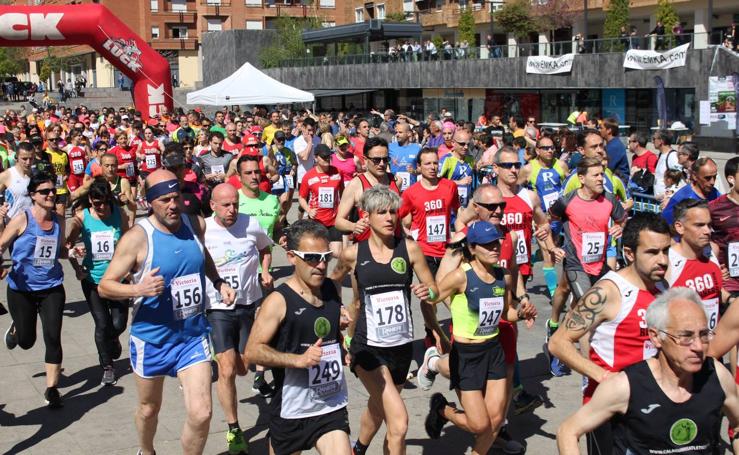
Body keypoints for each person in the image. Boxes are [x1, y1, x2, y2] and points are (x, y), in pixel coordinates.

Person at [98, 169, 236, 455]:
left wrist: (218, 281)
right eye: (164, 200)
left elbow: (201, 254)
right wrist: (139, 290)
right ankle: (146, 451)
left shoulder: (194, 224)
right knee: (149, 409)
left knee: (202, 413)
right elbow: (105, 286)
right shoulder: (137, 238)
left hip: (193, 337)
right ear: (150, 202)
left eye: (176, 198)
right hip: (152, 339)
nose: (173, 205)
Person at [558, 287, 739, 454]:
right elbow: (568, 431)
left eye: (704, 334)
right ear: (656, 337)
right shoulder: (626, 386)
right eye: (686, 336)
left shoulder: (716, 376)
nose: (699, 346)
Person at [549, 212, 671, 455]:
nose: (663, 260)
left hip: (652, 404)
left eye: (666, 251)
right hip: (610, 409)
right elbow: (558, 343)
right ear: (628, 253)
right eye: (652, 252)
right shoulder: (608, 291)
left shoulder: (663, 287)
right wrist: (605, 378)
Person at [330, 185, 437, 455]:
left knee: (379, 407)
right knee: (399, 423)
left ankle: (359, 448)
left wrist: (428, 292)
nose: (390, 218)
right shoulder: (353, 253)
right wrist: (336, 313)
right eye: (382, 212)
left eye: (393, 212)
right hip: (368, 347)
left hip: (401, 347)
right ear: (367, 216)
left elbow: (434, 290)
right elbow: (331, 283)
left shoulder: (410, 249)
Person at [422, 221, 536, 454]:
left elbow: (506, 313)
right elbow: (433, 298)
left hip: (493, 351)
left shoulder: (502, 276)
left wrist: (522, 314)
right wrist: (427, 294)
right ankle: (443, 409)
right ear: (472, 248)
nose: (494, 248)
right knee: (479, 424)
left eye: (496, 243)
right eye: (487, 245)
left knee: (494, 422)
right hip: (466, 356)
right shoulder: (460, 276)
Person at [245, 220, 352, 455]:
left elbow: (326, 337)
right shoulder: (278, 301)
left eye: (325, 257)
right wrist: (298, 360)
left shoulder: (332, 290)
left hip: (330, 404)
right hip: (292, 410)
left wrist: (342, 347)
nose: (321, 265)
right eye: (312, 257)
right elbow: (252, 351)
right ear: (292, 257)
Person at [204, 183, 273, 455]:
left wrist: (265, 271)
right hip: (217, 307)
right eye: (225, 205)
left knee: (246, 365)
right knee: (228, 368)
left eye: (235, 204)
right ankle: (234, 429)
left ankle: (231, 357)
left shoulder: (250, 224)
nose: (232, 210)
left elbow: (266, 249)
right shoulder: (205, 230)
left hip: (247, 304)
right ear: (213, 206)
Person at [2, 173, 67, 408]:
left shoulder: (60, 221)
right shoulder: (22, 219)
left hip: (52, 287)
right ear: (33, 196)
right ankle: (18, 328)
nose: (51, 195)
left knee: (53, 336)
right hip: (21, 289)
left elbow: (59, 252)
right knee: (27, 341)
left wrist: (71, 253)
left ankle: (52, 389)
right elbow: (1, 245)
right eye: (45, 192)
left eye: (53, 191)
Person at [65, 177, 130, 385]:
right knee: (102, 324)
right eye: (95, 202)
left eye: (103, 202)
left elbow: (130, 242)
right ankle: (107, 366)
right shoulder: (82, 217)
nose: (100, 206)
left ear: (109, 199)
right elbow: (67, 246)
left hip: (118, 279)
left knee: (118, 324)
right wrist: (77, 268)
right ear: (90, 201)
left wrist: (131, 269)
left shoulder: (119, 214)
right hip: (93, 280)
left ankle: (113, 338)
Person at [666, 199, 731, 334]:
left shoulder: (712, 251)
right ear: (680, 227)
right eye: (699, 225)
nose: (707, 231)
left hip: (711, 343)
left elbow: (717, 292)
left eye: (709, 225)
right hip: (683, 346)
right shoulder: (667, 262)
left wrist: (731, 299)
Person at [520, 136, 569, 298]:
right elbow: (516, 189)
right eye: (545, 148)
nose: (550, 150)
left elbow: (570, 187)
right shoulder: (528, 169)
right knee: (549, 255)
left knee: (552, 251)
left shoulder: (561, 165)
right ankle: (554, 294)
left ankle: (534, 258)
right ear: (538, 151)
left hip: (558, 218)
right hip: (540, 218)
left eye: (552, 147)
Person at [298, 144, 344, 258]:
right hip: (317, 220)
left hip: (334, 219)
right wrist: (308, 210)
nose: (327, 159)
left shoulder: (337, 172)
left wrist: (344, 209)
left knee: (337, 253)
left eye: (329, 156)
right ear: (315, 158)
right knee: (320, 254)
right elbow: (301, 198)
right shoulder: (309, 176)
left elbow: (343, 192)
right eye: (324, 157)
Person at [708, 156, 739, 303]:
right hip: (730, 283)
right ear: (731, 179)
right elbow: (699, 241)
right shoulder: (714, 208)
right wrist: (713, 267)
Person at [662, 157, 721, 226]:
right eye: (707, 178)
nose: (712, 182)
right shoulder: (681, 198)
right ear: (695, 176)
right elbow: (665, 224)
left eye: (714, 177)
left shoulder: (715, 193)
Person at [0, 141, 33, 230]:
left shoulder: (36, 174)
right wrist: (1, 209)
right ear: (17, 157)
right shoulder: (7, 175)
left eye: (31, 158)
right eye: (24, 159)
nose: (28, 162)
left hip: (33, 225)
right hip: (13, 226)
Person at [439, 128, 475, 207]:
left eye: (468, 144)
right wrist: (458, 182)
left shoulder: (471, 159)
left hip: (466, 207)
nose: (466, 147)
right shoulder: (446, 160)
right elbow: (436, 181)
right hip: (450, 207)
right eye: (462, 144)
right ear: (453, 143)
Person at [388, 123, 420, 193]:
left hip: (411, 189)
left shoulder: (417, 148)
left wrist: (415, 171)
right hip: (394, 189)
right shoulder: (390, 147)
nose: (397, 135)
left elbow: (422, 168)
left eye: (400, 132)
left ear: (408, 133)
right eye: (396, 132)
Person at [45, 131, 69, 217]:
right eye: (51, 140)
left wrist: (65, 177)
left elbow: (68, 170)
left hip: (61, 188)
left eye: (56, 139)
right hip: (48, 189)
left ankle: (61, 230)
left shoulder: (64, 154)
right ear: (47, 141)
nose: (54, 141)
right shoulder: (44, 154)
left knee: (61, 214)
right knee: (49, 215)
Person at [599, 118, 629, 182]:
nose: (599, 130)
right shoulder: (613, 144)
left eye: (601, 128)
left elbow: (607, 168)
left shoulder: (614, 147)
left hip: (618, 182)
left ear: (609, 130)